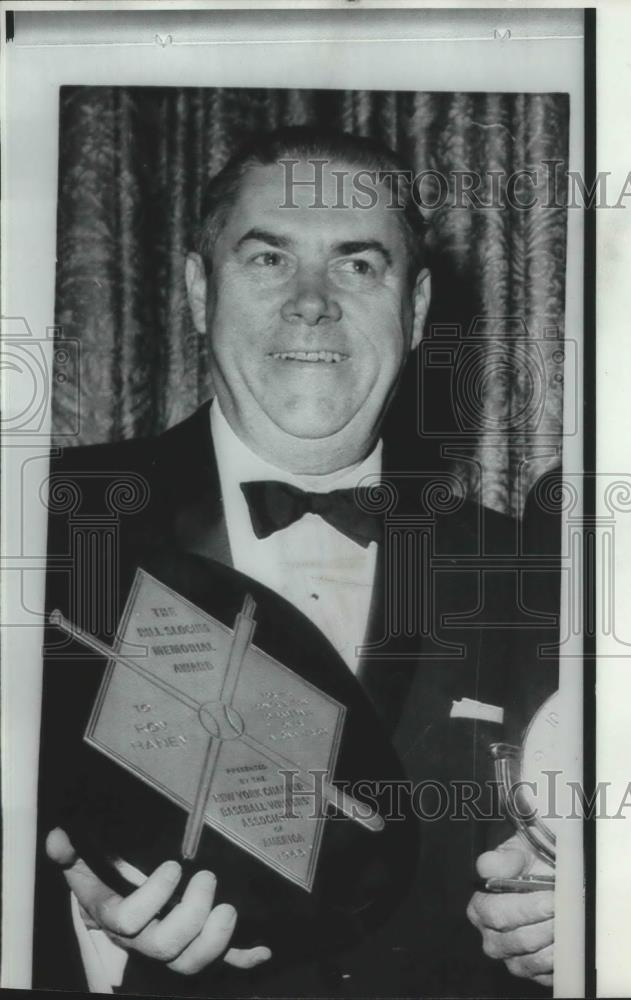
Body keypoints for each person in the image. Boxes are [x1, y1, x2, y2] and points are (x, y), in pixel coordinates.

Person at [35, 126, 556, 997]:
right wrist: (86, 921)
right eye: (268, 259)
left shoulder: (534, 572)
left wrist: (588, 924)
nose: (311, 302)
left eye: (357, 265)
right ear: (200, 291)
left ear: (416, 309)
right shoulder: (36, 524)